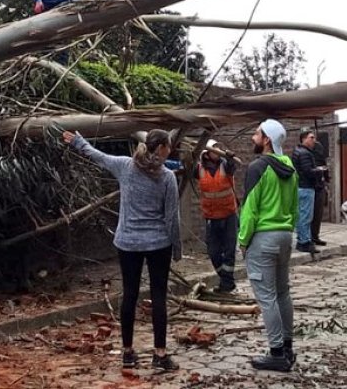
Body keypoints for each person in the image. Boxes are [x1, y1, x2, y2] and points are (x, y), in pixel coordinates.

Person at [62, 129, 181, 372]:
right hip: (159, 243)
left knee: (129, 294)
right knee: (159, 297)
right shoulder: (167, 177)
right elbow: (172, 219)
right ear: (161, 149)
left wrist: (78, 141)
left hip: (128, 242)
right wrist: (176, 248)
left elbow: (97, 156)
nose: (171, 150)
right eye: (169, 146)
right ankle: (160, 355)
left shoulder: (125, 166)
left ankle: (127, 353)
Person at [238, 119, 299, 372]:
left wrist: (243, 241)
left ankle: (275, 353)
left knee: (267, 298)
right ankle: (287, 348)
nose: (253, 137)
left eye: (256, 133)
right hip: (285, 236)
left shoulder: (258, 167)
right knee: (282, 293)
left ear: (267, 140)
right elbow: (295, 207)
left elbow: (249, 210)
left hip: (263, 238)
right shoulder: (290, 168)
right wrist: (288, 230)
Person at [196, 139, 240, 293]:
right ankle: (226, 277)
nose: (216, 152)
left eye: (218, 149)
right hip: (211, 216)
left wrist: (230, 157)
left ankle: (227, 284)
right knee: (213, 251)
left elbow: (234, 165)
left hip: (229, 214)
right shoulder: (199, 168)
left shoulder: (226, 165)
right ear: (207, 153)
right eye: (213, 149)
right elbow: (186, 168)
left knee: (229, 250)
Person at [291, 129, 327, 254]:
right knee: (305, 216)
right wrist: (320, 170)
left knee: (303, 215)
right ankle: (304, 242)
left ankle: (305, 239)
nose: (314, 140)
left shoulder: (299, 151)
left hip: (301, 187)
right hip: (306, 187)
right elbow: (307, 171)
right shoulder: (305, 153)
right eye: (311, 138)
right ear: (304, 138)